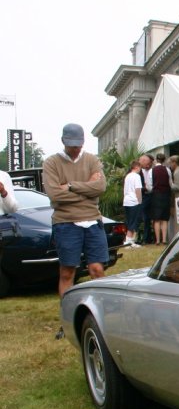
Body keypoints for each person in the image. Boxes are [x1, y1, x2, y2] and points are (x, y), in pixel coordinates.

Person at [41, 123, 108, 297]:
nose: (75, 149)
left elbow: (100, 187)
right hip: (65, 222)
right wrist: (88, 193)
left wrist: (70, 186)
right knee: (67, 271)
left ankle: (97, 313)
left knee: (97, 269)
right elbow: (55, 195)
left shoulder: (92, 160)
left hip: (93, 220)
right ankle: (67, 317)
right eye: (71, 145)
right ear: (63, 141)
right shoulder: (51, 163)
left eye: (78, 145)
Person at [150, 153, 172, 245]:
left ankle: (157, 240)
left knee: (157, 218)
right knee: (164, 218)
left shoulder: (152, 170)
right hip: (166, 194)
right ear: (164, 160)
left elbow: (150, 185)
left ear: (156, 159)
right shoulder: (167, 169)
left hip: (156, 195)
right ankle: (164, 240)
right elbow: (170, 182)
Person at [122, 160, 143, 246]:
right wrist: (140, 201)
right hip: (134, 201)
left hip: (127, 201)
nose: (140, 170)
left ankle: (130, 240)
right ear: (137, 167)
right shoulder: (136, 176)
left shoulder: (128, 176)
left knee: (129, 221)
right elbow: (138, 189)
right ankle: (128, 241)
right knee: (134, 221)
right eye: (140, 168)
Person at [137, 153, 154, 244]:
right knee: (141, 217)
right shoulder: (137, 171)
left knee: (147, 217)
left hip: (148, 196)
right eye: (148, 164)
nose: (149, 166)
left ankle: (146, 238)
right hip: (141, 196)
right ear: (142, 161)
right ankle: (140, 237)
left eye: (150, 164)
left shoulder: (151, 170)